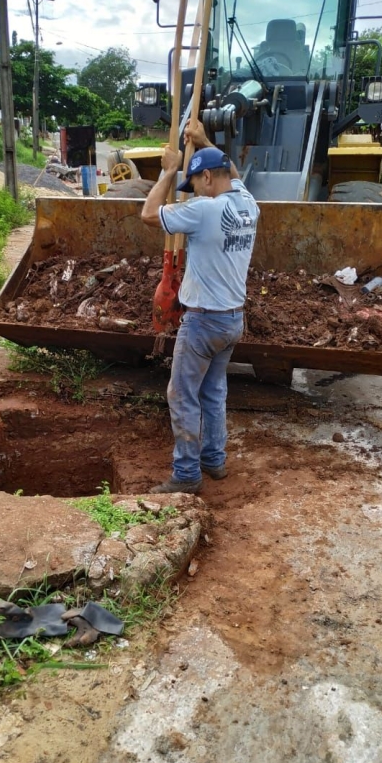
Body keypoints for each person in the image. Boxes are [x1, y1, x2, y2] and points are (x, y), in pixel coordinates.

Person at [141, 119, 260, 494]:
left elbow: (148, 214)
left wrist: (169, 170)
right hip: (232, 321)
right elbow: (234, 172)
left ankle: (187, 474)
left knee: (181, 394)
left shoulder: (205, 211)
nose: (193, 192)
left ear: (207, 177)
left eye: (194, 184)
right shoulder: (248, 204)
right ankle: (214, 459)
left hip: (203, 322)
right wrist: (205, 140)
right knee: (213, 392)